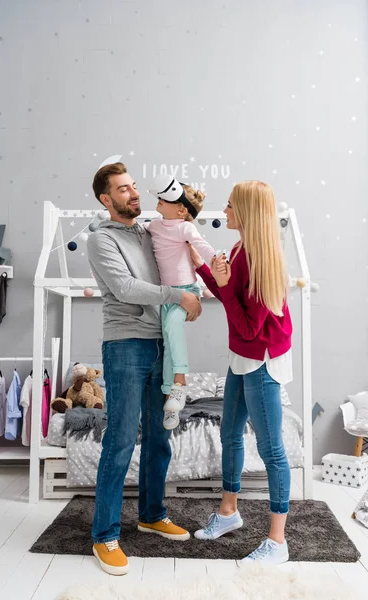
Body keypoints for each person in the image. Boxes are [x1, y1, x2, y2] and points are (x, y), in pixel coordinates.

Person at [87, 162, 201, 576]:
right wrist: (178, 296)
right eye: (123, 190)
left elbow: (179, 257)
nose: (134, 194)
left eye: (134, 187)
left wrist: (191, 290)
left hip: (160, 345)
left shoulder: (148, 230)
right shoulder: (100, 239)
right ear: (106, 199)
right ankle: (104, 535)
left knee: (159, 436)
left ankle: (152, 514)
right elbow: (126, 288)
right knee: (119, 440)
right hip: (126, 346)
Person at [188, 180, 293, 565]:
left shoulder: (261, 259)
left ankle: (278, 542)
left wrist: (224, 282)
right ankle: (229, 512)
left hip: (262, 360)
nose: (225, 211)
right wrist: (200, 265)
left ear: (245, 212)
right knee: (229, 432)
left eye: (230, 206)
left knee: (271, 451)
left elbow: (249, 326)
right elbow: (228, 296)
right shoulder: (239, 248)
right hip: (242, 356)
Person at [146, 175, 216, 429]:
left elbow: (203, 246)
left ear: (181, 209)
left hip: (187, 290)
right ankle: (170, 401)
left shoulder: (186, 228)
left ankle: (180, 381)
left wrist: (216, 260)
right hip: (166, 294)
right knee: (167, 339)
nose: (159, 201)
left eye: (164, 199)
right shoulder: (153, 226)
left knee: (173, 327)